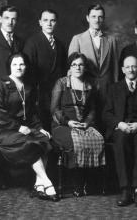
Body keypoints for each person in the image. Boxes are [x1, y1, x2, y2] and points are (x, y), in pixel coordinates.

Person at [0, 52, 59, 202]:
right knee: (31, 144)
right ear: (9, 67)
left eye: (21, 64)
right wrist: (18, 127)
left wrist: (39, 128)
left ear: (26, 67)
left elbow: (32, 112)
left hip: (23, 127)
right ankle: (47, 182)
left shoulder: (28, 86)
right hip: (3, 129)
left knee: (45, 139)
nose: (18, 67)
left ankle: (38, 184)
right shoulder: (0, 86)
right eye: (15, 64)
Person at [102, 56, 137, 208]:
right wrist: (119, 124)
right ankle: (125, 189)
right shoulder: (114, 88)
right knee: (120, 141)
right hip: (122, 127)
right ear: (123, 70)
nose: (131, 70)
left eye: (134, 66)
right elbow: (106, 113)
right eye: (127, 67)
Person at [51, 52, 105, 197]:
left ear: (85, 67)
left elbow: (93, 109)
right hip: (62, 125)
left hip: (84, 125)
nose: (77, 67)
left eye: (80, 64)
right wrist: (68, 122)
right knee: (77, 141)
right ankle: (78, 183)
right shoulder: (61, 83)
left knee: (97, 139)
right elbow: (54, 109)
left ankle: (90, 182)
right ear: (70, 67)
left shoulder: (89, 84)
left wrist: (86, 123)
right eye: (74, 65)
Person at [23, 9, 67, 130]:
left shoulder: (60, 44)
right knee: (42, 126)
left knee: (56, 125)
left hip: (56, 92)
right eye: (45, 20)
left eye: (52, 20)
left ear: (56, 23)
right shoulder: (32, 42)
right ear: (40, 22)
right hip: (39, 93)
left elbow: (63, 71)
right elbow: (28, 72)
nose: (49, 23)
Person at [68, 4, 119, 106]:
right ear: (88, 18)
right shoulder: (77, 39)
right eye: (93, 16)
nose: (97, 20)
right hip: (85, 87)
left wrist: (115, 87)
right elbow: (71, 69)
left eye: (100, 17)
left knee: (106, 118)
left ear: (103, 19)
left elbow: (115, 68)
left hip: (107, 88)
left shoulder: (111, 40)